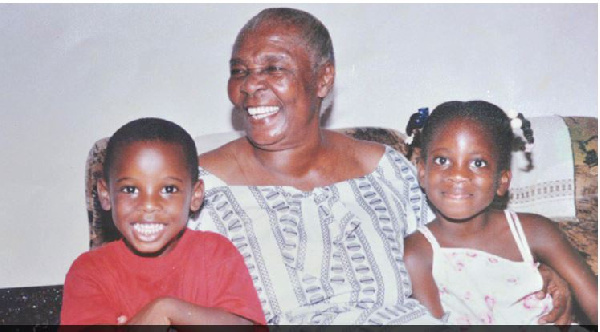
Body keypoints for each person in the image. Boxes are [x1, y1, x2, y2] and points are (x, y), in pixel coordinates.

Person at [187, 7, 573, 325]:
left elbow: (453, 246)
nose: (250, 85)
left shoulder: (384, 169)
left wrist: (527, 275)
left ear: (323, 79)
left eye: (274, 69)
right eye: (239, 71)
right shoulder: (200, 190)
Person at [403, 101, 597, 325]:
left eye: (478, 163)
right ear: (422, 172)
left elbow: (594, 303)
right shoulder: (416, 253)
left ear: (502, 181)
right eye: (442, 160)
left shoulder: (535, 231)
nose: (458, 174)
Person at [61, 118, 266, 325]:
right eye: (130, 189)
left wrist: (167, 309)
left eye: (169, 189)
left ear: (195, 196)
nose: (149, 205)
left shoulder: (215, 252)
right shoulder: (89, 271)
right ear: (106, 195)